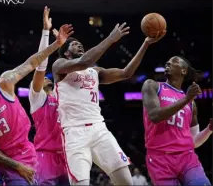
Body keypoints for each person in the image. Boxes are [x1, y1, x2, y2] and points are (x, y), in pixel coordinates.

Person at [52, 23, 165, 185]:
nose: (79, 45)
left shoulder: (95, 72)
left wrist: (145, 44)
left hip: (99, 129)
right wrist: (111, 39)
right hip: (74, 132)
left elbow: (126, 73)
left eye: (80, 43)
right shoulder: (59, 65)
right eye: (74, 44)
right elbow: (84, 62)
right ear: (66, 52)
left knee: (126, 180)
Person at [0, 12, 74, 186]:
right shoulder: (37, 95)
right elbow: (37, 66)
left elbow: (33, 63)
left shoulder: (4, 83)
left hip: (25, 152)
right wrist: (48, 36)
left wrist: (58, 44)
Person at [142, 55, 212, 185]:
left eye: (174, 61)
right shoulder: (152, 86)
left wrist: (209, 129)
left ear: (183, 71)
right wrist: (185, 99)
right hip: (159, 159)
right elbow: (155, 116)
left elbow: (194, 141)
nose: (168, 62)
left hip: (187, 157)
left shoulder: (191, 104)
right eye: (167, 61)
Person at [28, 7, 69, 186]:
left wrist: (63, 44)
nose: (45, 77)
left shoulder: (61, 95)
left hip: (67, 156)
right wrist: (46, 32)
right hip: (45, 157)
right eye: (41, 78)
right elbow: (40, 66)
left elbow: (75, 62)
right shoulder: (38, 98)